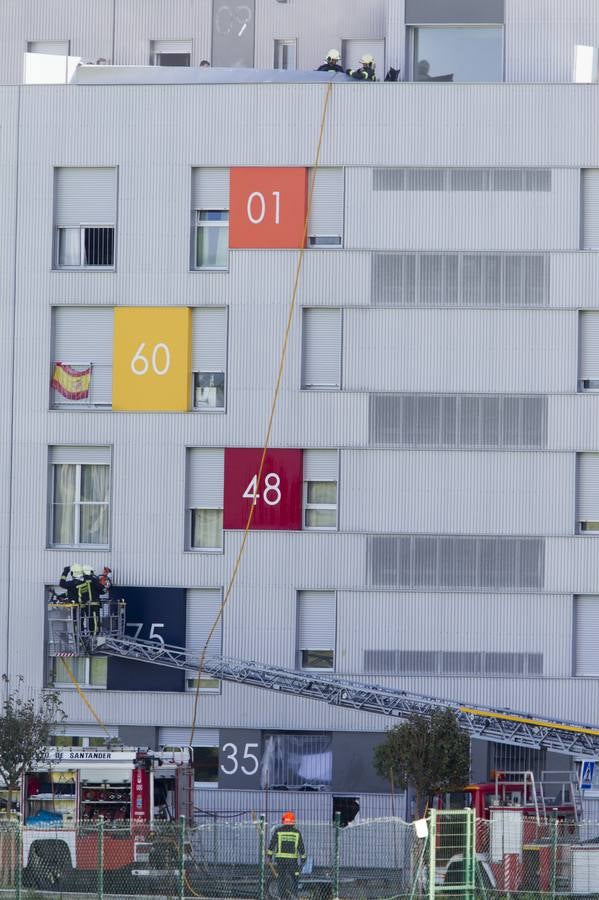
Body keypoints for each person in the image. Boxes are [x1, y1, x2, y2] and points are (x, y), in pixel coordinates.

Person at [267, 811, 306, 899]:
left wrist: (269, 857)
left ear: (283, 821)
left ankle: (282, 897)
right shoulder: (297, 833)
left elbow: (272, 844)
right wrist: (303, 859)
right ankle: (294, 896)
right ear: (293, 821)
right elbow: (301, 847)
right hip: (293, 861)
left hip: (281, 860)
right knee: (295, 878)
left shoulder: (278, 831)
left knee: (281, 879)